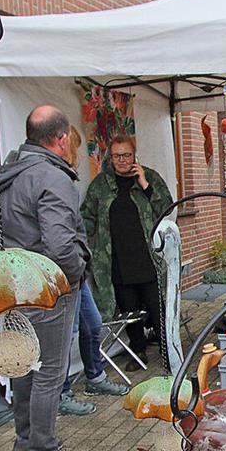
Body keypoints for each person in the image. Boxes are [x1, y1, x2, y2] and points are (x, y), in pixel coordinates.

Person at [0, 106, 92, 451]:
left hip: (16, 283)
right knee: (50, 369)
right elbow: (59, 242)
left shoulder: (11, 173)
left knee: (25, 364)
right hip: (49, 286)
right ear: (62, 138)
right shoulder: (52, 177)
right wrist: (76, 271)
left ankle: (25, 441)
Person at [81, 134, 174, 359]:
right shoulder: (100, 185)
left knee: (157, 307)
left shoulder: (149, 176)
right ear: (110, 158)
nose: (122, 160)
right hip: (117, 259)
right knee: (129, 309)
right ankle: (138, 349)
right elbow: (87, 218)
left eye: (126, 155)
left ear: (134, 155)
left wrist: (145, 184)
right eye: (116, 156)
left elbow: (167, 207)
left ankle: (168, 351)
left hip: (147, 258)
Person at [56, 129, 129, 414]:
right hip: (64, 271)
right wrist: (75, 263)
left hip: (77, 269)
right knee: (65, 333)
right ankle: (61, 393)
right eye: (73, 148)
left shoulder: (63, 176)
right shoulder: (52, 178)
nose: (75, 155)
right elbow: (59, 233)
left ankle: (94, 377)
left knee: (92, 323)